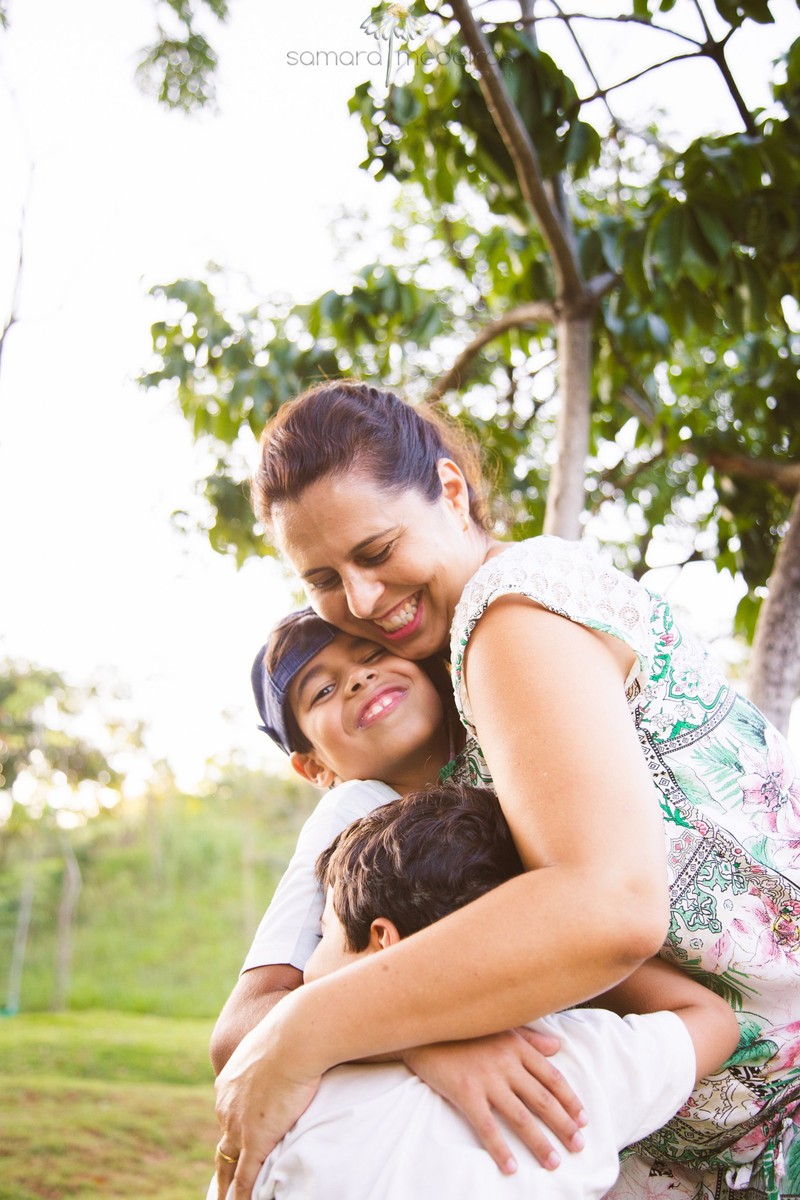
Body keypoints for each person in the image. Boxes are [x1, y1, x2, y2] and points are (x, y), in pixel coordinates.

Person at [215, 380, 800, 1200]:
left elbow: (608, 907)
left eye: (377, 552)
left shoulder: (511, 611)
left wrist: (306, 1033)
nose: (361, 602)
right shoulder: (436, 714)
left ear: (452, 493)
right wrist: (422, 1032)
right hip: (671, 1144)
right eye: (323, 578)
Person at [229, 783, 737, 1200]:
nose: (311, 962)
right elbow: (710, 1017)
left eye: (324, 935)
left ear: (383, 940)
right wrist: (567, 950)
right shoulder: (574, 1060)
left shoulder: (297, 1089)